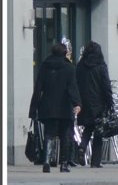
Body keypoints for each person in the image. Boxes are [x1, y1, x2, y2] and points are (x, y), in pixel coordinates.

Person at [28, 42, 82, 173]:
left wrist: (33, 108)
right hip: (64, 106)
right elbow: (72, 88)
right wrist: (77, 103)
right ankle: (64, 164)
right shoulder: (69, 68)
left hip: (48, 105)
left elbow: (38, 88)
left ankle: (47, 160)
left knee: (49, 134)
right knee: (65, 135)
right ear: (64, 53)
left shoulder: (44, 66)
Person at [75, 41, 114, 168]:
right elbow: (106, 85)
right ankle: (95, 162)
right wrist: (110, 101)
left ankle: (82, 147)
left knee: (88, 127)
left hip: (84, 102)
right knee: (98, 131)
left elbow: (76, 82)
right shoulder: (101, 65)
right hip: (99, 103)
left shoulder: (80, 65)